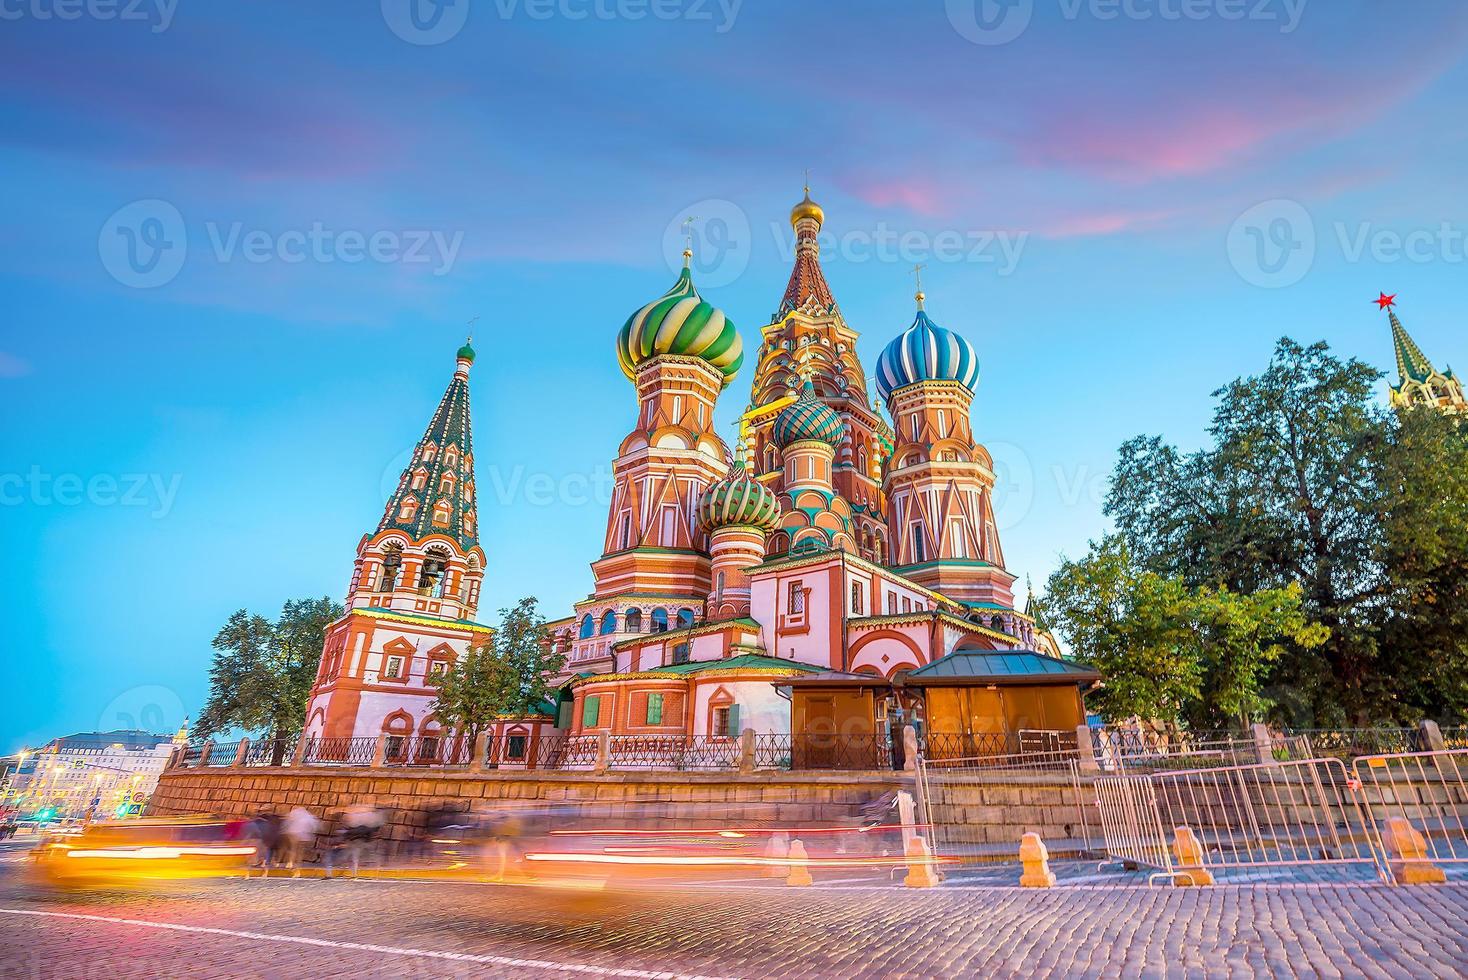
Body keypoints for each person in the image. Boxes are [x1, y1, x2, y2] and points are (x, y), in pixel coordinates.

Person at [280, 806, 321, 878]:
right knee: (300, 850)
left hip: (293, 833)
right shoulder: (308, 816)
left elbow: (287, 821)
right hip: (303, 835)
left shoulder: (294, 813)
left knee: (293, 849)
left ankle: (290, 862)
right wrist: (312, 832)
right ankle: (298, 864)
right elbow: (314, 825)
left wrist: (284, 830)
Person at [246, 810, 282, 877]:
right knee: (264, 857)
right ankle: (265, 872)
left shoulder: (253, 823)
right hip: (264, 841)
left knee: (253, 858)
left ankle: (248, 874)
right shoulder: (266, 823)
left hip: (256, 841)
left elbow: (250, 832)